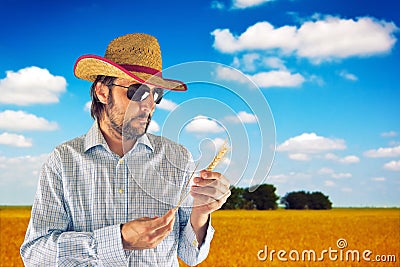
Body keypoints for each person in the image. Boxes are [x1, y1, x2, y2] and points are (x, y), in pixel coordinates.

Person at [20, 33, 231, 266]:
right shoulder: (63, 161)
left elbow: (191, 256)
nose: (149, 104)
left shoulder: (178, 158)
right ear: (102, 92)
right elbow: (35, 255)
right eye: (137, 91)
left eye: (156, 94)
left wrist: (201, 213)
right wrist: (119, 240)